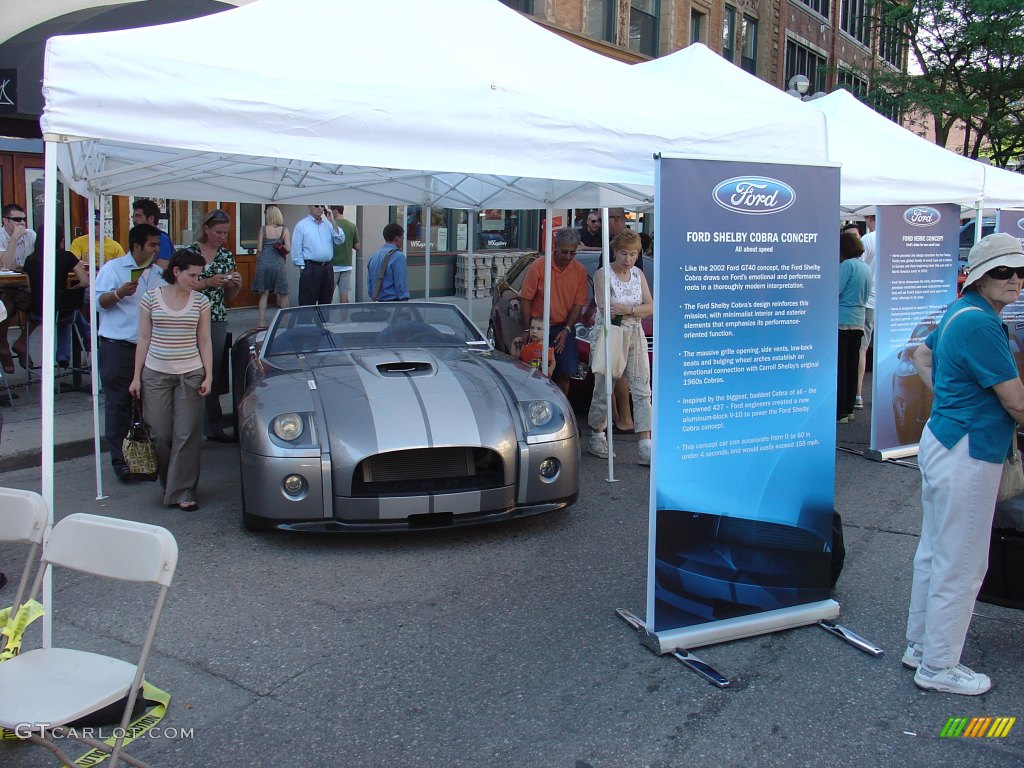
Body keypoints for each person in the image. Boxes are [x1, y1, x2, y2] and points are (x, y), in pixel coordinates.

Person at [905, 233, 1024, 696]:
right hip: (971, 449)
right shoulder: (981, 324)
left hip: (944, 439)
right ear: (979, 275)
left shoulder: (962, 311)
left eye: (1019, 270)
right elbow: (1016, 402)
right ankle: (937, 665)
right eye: (1002, 271)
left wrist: (952, 400)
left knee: (936, 551)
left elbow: (923, 354)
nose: (1014, 279)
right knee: (963, 562)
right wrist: (962, 404)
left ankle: (921, 647)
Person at [129, 249, 212, 511]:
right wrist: (136, 377)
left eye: (199, 275)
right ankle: (170, 483)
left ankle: (184, 490)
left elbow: (205, 340)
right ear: (176, 271)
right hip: (156, 372)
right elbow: (143, 338)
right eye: (191, 275)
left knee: (187, 434)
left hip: (191, 371)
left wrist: (209, 375)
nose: (195, 280)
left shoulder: (201, 301)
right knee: (160, 433)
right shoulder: (150, 298)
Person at [95, 223, 165, 482]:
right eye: (152, 245)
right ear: (136, 246)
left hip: (150, 347)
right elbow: (98, 303)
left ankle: (144, 457)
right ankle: (120, 461)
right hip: (118, 346)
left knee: (149, 405)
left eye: (157, 245)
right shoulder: (114, 268)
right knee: (119, 405)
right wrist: (117, 293)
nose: (156, 250)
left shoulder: (157, 273)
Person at [587, 229, 653, 465]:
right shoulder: (603, 274)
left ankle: (645, 443)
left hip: (635, 331)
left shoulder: (638, 275)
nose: (628, 259)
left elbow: (651, 306)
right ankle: (597, 434)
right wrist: (636, 309)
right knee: (605, 384)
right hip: (610, 332)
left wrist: (630, 310)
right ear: (615, 252)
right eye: (624, 253)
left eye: (633, 254)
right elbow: (607, 307)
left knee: (642, 387)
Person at [186, 209, 241, 442]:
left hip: (216, 318)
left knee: (213, 372)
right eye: (218, 232)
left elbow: (230, 298)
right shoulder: (189, 253)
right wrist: (208, 282)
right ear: (206, 229)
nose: (222, 236)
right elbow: (180, 287)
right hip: (188, 317)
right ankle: (189, 426)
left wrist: (234, 284)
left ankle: (214, 427)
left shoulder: (226, 256)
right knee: (191, 371)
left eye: (226, 233)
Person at [515, 227, 587, 394]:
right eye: (564, 252)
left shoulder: (580, 271)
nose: (568, 257)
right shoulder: (539, 266)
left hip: (563, 326)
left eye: (572, 253)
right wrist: (528, 329)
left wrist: (567, 329)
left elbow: (578, 304)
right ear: (555, 246)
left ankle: (562, 408)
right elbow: (526, 299)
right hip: (539, 326)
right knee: (535, 371)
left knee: (565, 371)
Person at [20, 225, 90, 368]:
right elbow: (84, 281)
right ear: (60, 239)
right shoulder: (67, 256)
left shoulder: (29, 260)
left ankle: (66, 353)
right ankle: (84, 341)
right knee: (68, 308)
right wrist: (70, 290)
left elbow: (29, 287)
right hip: (60, 310)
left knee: (65, 308)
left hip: (37, 311)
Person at [838, 231, 871, 423]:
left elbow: (836, 289)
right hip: (859, 319)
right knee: (851, 368)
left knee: (841, 368)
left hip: (842, 320)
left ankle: (840, 411)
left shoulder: (847, 266)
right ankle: (849, 408)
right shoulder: (865, 267)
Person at [0, 204, 36, 374]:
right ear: (5, 220)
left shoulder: (31, 236)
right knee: (5, 306)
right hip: (2, 287)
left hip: (22, 285)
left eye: (23, 219)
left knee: (44, 303)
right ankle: (3, 345)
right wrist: (13, 239)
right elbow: (6, 265)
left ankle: (22, 342)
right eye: (16, 220)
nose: (21, 223)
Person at [291, 204, 345, 305]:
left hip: (327, 268)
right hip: (311, 267)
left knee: (326, 302)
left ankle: (323, 321)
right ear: (309, 207)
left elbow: (340, 239)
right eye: (316, 205)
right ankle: (307, 321)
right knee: (307, 303)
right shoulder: (302, 225)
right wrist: (303, 268)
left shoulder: (328, 224)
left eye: (322, 206)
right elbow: (296, 248)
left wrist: (333, 221)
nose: (320, 208)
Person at [253, 205, 290, 327]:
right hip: (278, 263)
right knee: (283, 293)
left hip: (264, 262)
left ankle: (262, 322)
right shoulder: (284, 230)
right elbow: (288, 249)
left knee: (264, 293)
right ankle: (285, 322)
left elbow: (259, 249)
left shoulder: (262, 229)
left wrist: (258, 262)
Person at [856, 213, 877, 409]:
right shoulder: (895, 239)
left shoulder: (868, 239)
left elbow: (859, 270)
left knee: (861, 349)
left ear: (870, 219)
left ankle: (857, 395)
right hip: (888, 302)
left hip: (868, 301)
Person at [367, 223, 409, 302]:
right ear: (397, 238)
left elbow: (369, 285)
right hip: (394, 304)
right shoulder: (398, 256)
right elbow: (401, 284)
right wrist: (404, 302)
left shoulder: (374, 255)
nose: (403, 241)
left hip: (377, 303)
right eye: (402, 238)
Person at [132, 199, 175, 267]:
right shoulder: (139, 238)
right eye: (133, 216)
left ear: (151, 218)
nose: (134, 220)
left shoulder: (161, 239)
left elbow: (162, 270)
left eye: (138, 216)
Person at [330, 206, 360, 303]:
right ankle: (344, 318)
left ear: (335, 211)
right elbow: (358, 246)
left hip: (332, 266)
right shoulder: (352, 226)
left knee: (328, 295)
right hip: (347, 265)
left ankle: (327, 318)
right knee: (344, 296)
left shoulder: (330, 225)